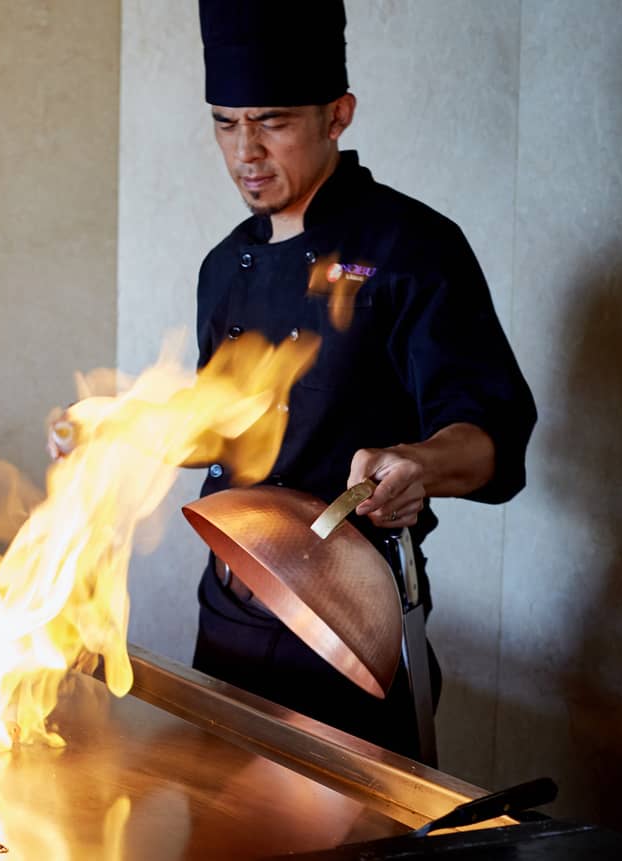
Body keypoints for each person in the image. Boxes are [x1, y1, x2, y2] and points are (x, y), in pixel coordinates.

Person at [184, 0, 537, 760]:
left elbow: (491, 436)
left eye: (272, 120)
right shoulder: (222, 267)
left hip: (349, 625)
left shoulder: (413, 246)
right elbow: (218, 424)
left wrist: (419, 466)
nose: (245, 149)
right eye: (225, 121)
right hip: (226, 619)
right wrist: (117, 433)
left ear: (337, 114)